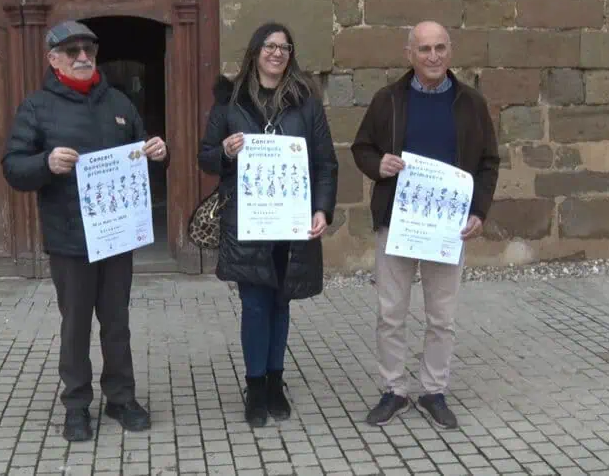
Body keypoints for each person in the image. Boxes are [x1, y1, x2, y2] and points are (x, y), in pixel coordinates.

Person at [1, 20, 169, 442]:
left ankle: (121, 398)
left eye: (88, 52)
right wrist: (45, 163)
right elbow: (13, 166)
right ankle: (76, 405)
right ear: (53, 58)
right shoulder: (37, 107)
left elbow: (143, 151)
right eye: (72, 52)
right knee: (75, 325)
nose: (82, 58)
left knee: (117, 321)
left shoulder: (118, 101)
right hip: (70, 238)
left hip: (116, 235)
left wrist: (159, 153)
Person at [351, 21, 499, 429]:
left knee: (442, 315)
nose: (432, 56)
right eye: (424, 49)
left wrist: (479, 212)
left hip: (447, 227)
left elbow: (489, 162)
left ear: (450, 52)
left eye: (439, 48)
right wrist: (376, 164)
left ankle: (434, 389)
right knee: (391, 313)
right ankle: (393, 390)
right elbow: (361, 148)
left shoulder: (471, 103)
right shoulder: (388, 100)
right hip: (396, 223)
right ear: (409, 54)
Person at [198, 22, 338, 427]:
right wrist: (224, 151)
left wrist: (322, 210)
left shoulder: (305, 101)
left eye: (285, 47)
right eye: (270, 46)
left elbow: (325, 163)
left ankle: (275, 381)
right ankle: (255, 385)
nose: (277, 53)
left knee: (281, 302)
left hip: (292, 222)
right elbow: (205, 157)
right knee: (255, 305)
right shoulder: (231, 101)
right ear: (255, 51)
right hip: (249, 219)